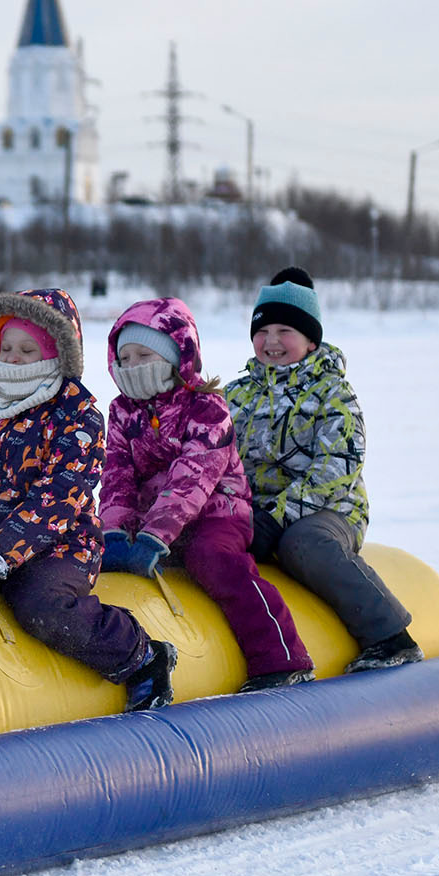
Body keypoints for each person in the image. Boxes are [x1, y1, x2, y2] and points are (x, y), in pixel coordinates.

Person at [0, 287, 173, 711]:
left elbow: (58, 496)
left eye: (27, 349)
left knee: (44, 608)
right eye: (5, 348)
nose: (13, 358)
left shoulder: (77, 416)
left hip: (58, 548)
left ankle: (141, 656)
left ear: (56, 352)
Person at [100, 297, 316, 693]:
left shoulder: (206, 407)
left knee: (214, 559)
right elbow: (116, 475)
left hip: (218, 513)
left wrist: (153, 537)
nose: (131, 366)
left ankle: (283, 656)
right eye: (124, 357)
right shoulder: (121, 412)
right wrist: (113, 532)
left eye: (143, 355)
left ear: (175, 357)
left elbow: (192, 478)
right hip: (155, 523)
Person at [226, 267, 422, 673]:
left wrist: (276, 519)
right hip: (253, 512)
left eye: (286, 331)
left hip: (327, 512)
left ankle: (389, 636)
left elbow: (337, 469)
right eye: (263, 331)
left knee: (303, 544)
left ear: (310, 339)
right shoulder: (236, 394)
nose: (272, 342)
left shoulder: (333, 392)